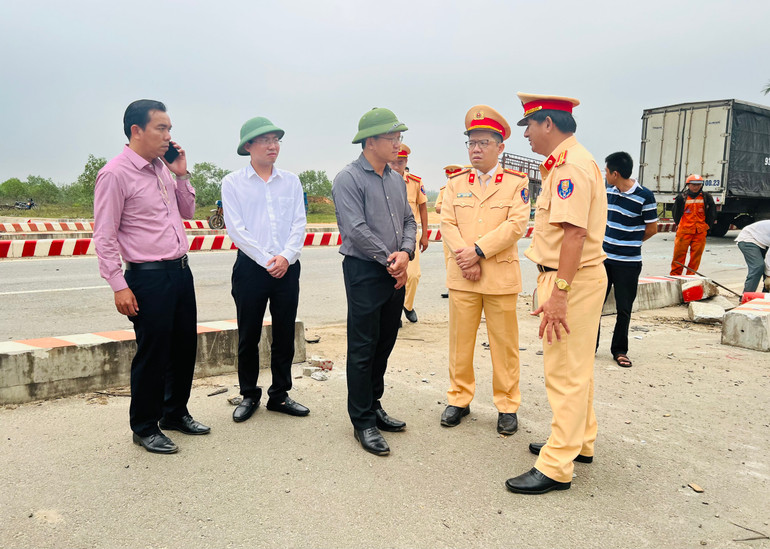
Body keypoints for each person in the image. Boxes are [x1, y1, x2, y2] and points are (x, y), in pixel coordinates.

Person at [94, 99, 210, 455]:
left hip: (180, 271)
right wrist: (119, 285)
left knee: (183, 348)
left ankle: (174, 413)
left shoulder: (162, 168)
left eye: (170, 129)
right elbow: (104, 235)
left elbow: (187, 212)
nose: (168, 136)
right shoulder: (115, 174)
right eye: (161, 128)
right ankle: (144, 425)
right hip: (147, 277)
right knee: (153, 353)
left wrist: (181, 174)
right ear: (136, 131)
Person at [505, 93, 607, 495]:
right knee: (577, 367)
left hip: (572, 279)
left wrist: (560, 291)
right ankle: (579, 441)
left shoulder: (569, 169)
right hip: (576, 276)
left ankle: (556, 464)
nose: (526, 134)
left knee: (564, 372)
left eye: (528, 126)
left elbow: (574, 234)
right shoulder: (571, 163)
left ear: (548, 124)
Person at [439, 105, 530, 435]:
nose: (476, 149)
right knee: (459, 343)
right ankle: (459, 399)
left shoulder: (516, 183)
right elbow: (446, 222)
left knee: (504, 346)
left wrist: (477, 252)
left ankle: (507, 405)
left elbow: (517, 225)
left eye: (483, 143)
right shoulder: (455, 183)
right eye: (471, 143)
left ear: (500, 147)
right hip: (463, 276)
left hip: (500, 278)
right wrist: (466, 258)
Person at [332, 107, 416, 456]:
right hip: (366, 271)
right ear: (370, 141)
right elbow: (355, 229)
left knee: (385, 341)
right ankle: (362, 420)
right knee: (363, 346)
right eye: (391, 138)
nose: (398, 144)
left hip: (395, 270)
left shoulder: (396, 179)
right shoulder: (348, 179)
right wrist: (390, 259)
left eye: (399, 138)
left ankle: (375, 403)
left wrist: (406, 253)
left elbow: (410, 221)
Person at [221, 116, 309, 423]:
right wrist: (266, 259)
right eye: (265, 140)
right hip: (251, 268)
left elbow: (299, 222)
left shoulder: (292, 181)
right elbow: (236, 229)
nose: (273, 146)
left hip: (287, 267)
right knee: (249, 334)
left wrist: (285, 257)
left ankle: (280, 395)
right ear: (248, 146)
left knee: (284, 333)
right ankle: (249, 394)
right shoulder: (232, 183)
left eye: (276, 140)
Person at [598, 152, 658, 367]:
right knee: (594, 305)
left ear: (615, 173)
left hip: (629, 263)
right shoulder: (607, 191)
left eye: (606, 171)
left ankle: (620, 350)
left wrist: (631, 241)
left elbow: (652, 228)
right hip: (603, 260)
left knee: (624, 308)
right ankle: (589, 347)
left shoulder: (645, 196)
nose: (605, 175)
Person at [389, 144, 428, 323]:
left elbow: (423, 207)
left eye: (401, 162)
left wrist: (425, 234)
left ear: (406, 163)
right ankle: (394, 312)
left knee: (413, 275)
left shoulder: (415, 182)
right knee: (391, 275)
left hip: (411, 235)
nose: (397, 167)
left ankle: (408, 305)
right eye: (394, 163)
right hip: (389, 235)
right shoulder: (382, 181)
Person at [669, 174, 715, 275]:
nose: (696, 187)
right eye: (693, 184)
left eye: (698, 185)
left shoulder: (706, 197)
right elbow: (676, 214)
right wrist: (680, 225)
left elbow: (711, 214)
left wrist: (707, 227)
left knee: (696, 257)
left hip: (700, 232)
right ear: (688, 185)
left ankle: (690, 277)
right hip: (684, 231)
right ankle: (675, 277)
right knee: (678, 256)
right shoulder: (682, 198)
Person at [735, 220, 770, 294]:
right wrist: (769, 276)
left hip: (762, 241)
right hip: (748, 239)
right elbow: (769, 256)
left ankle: (766, 295)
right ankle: (746, 297)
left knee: (766, 270)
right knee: (758, 266)